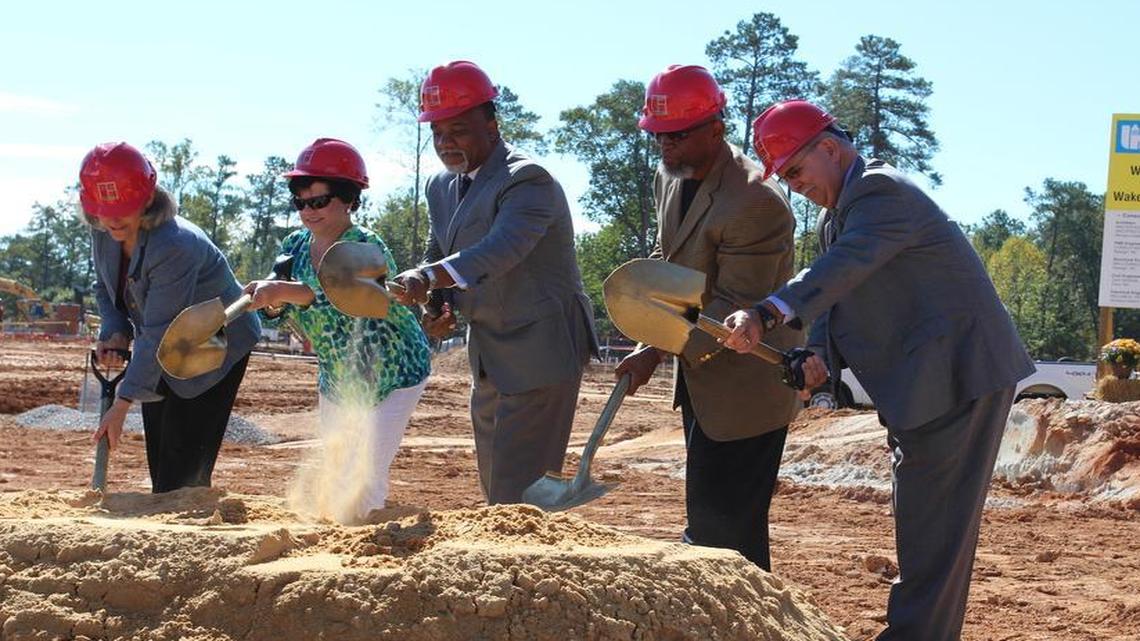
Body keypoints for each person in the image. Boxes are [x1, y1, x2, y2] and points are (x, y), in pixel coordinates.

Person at [722, 100, 1036, 640]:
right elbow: (835, 294)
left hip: (958, 375)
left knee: (933, 534)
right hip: (924, 384)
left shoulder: (881, 191)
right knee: (924, 527)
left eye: (796, 170)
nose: (794, 185)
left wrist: (768, 311)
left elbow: (845, 267)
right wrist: (811, 352)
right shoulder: (835, 217)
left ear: (829, 147)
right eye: (786, 177)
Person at [614, 65, 801, 571]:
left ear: (715, 127)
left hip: (746, 387)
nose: (665, 148)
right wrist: (644, 326)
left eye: (676, 136)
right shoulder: (669, 177)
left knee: (727, 530)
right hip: (701, 377)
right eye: (657, 137)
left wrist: (655, 346)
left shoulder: (756, 199)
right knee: (712, 519)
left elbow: (733, 309)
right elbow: (668, 258)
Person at [391, 60, 599, 504]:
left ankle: (533, 572)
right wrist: (434, 302)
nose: (447, 143)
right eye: (438, 132)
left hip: (541, 348)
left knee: (519, 495)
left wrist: (427, 276)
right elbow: (439, 248)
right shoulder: (441, 186)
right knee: (497, 488)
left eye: (460, 130)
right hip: (489, 352)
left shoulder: (527, 180)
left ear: (492, 123)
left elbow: (499, 251)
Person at [243, 138, 431, 521]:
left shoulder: (364, 244)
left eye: (318, 202)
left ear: (348, 198)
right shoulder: (294, 245)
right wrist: (272, 302)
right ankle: (334, 537)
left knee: (366, 471)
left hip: (394, 372)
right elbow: (278, 314)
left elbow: (341, 299)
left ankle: (364, 552)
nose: (308, 212)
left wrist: (282, 291)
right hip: (338, 374)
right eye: (301, 202)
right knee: (337, 465)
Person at [82, 142, 260, 493]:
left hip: (213, 339)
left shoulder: (175, 245)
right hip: (165, 342)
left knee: (182, 458)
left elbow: (159, 331)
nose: (114, 218)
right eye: (106, 210)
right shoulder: (104, 233)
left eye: (124, 207)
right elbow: (104, 287)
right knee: (161, 449)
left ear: (148, 198)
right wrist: (115, 330)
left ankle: (188, 514)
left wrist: (121, 404)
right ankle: (171, 502)